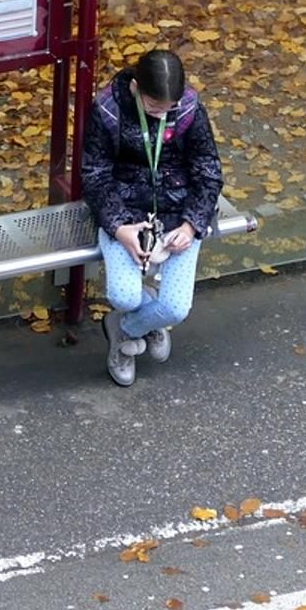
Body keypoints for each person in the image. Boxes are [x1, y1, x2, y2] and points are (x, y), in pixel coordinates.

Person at [81, 49, 224, 387]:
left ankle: (124, 332)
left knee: (175, 308)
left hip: (178, 215)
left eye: (168, 108)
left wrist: (191, 224)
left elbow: (208, 172)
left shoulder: (189, 108)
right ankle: (142, 321)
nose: (162, 115)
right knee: (124, 297)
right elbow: (95, 175)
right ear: (134, 87)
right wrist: (119, 228)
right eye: (153, 108)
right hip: (127, 214)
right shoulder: (108, 110)